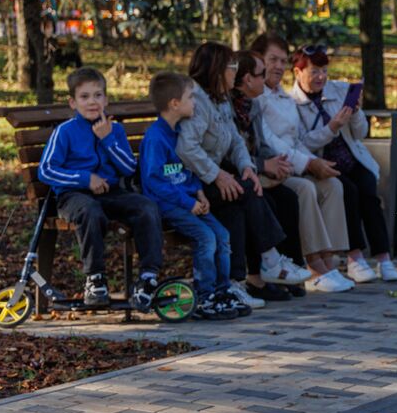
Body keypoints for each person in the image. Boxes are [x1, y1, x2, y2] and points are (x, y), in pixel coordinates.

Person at [177, 42, 310, 310]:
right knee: (242, 191)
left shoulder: (220, 97)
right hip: (192, 183)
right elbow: (186, 148)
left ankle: (236, 284)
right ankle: (270, 261)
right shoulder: (197, 99)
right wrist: (218, 176)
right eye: (232, 67)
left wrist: (247, 165)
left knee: (240, 197)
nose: (235, 72)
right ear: (216, 69)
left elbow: (236, 140)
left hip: (213, 178)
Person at [37, 67, 162, 309]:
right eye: (84, 97)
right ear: (73, 102)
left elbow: (128, 168)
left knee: (146, 207)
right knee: (90, 211)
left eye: (97, 95)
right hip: (74, 196)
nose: (92, 102)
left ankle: (149, 276)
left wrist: (107, 139)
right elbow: (46, 170)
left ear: (105, 99)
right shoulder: (65, 132)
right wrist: (86, 179)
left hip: (111, 194)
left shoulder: (114, 130)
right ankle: (95, 278)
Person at [232, 47, 354, 293]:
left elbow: (297, 139)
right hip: (273, 167)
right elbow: (267, 142)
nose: (277, 67)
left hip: (287, 162)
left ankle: (329, 260)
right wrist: (307, 163)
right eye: (271, 61)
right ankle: (313, 266)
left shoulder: (281, 97)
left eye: (282, 61)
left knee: (334, 185)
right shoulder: (257, 99)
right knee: (303, 190)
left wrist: (311, 161)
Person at [291, 44, 397, 283]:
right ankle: (355, 257)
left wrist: (356, 113)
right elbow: (303, 143)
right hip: (322, 164)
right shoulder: (292, 104)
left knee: (368, 190)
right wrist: (332, 128)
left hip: (351, 157)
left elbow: (361, 133)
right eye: (314, 71)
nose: (320, 77)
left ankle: (384, 258)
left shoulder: (339, 90)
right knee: (348, 193)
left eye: (323, 70)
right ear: (298, 72)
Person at [139, 72, 242, 320]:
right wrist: (188, 202)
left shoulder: (179, 132)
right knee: (206, 237)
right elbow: (154, 181)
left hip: (189, 200)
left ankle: (222, 290)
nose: (195, 102)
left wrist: (198, 192)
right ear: (175, 103)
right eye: (190, 98)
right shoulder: (156, 138)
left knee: (222, 234)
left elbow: (188, 168)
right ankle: (204, 296)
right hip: (168, 205)